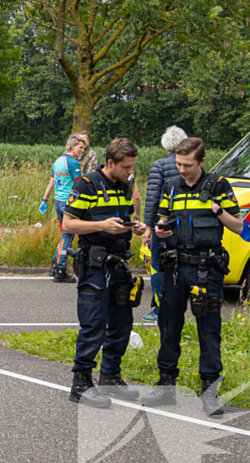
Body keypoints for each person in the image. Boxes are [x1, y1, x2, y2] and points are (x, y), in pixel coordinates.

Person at [142, 137, 242, 418]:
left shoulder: (218, 186)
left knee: (209, 330)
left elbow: (238, 225)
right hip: (174, 268)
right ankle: (165, 386)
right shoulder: (170, 186)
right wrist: (160, 230)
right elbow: (162, 219)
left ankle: (210, 392)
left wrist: (218, 210)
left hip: (205, 269)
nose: (182, 169)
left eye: (188, 165)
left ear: (202, 162)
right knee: (168, 326)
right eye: (178, 164)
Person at [62, 138, 147, 408]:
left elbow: (122, 217)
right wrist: (102, 225)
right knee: (94, 325)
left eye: (132, 167)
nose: (130, 173)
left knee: (122, 324)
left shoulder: (126, 184)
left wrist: (134, 226)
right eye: (126, 167)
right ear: (110, 163)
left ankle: (110, 376)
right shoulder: (86, 184)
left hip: (120, 263)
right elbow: (69, 223)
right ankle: (81, 383)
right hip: (95, 264)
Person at [140, 126, 188, 324]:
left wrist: (148, 227)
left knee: (158, 264)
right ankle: (177, 309)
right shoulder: (189, 164)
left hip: (163, 222)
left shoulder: (159, 165)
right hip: (184, 224)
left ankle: (159, 310)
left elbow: (152, 198)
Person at [40, 134, 87, 283]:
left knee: (65, 234)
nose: (82, 151)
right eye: (80, 147)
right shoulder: (73, 163)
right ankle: (61, 269)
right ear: (72, 146)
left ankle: (55, 265)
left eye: (84, 148)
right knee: (68, 235)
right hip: (69, 203)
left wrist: (45, 200)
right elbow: (80, 185)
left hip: (58, 202)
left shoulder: (58, 161)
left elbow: (51, 182)